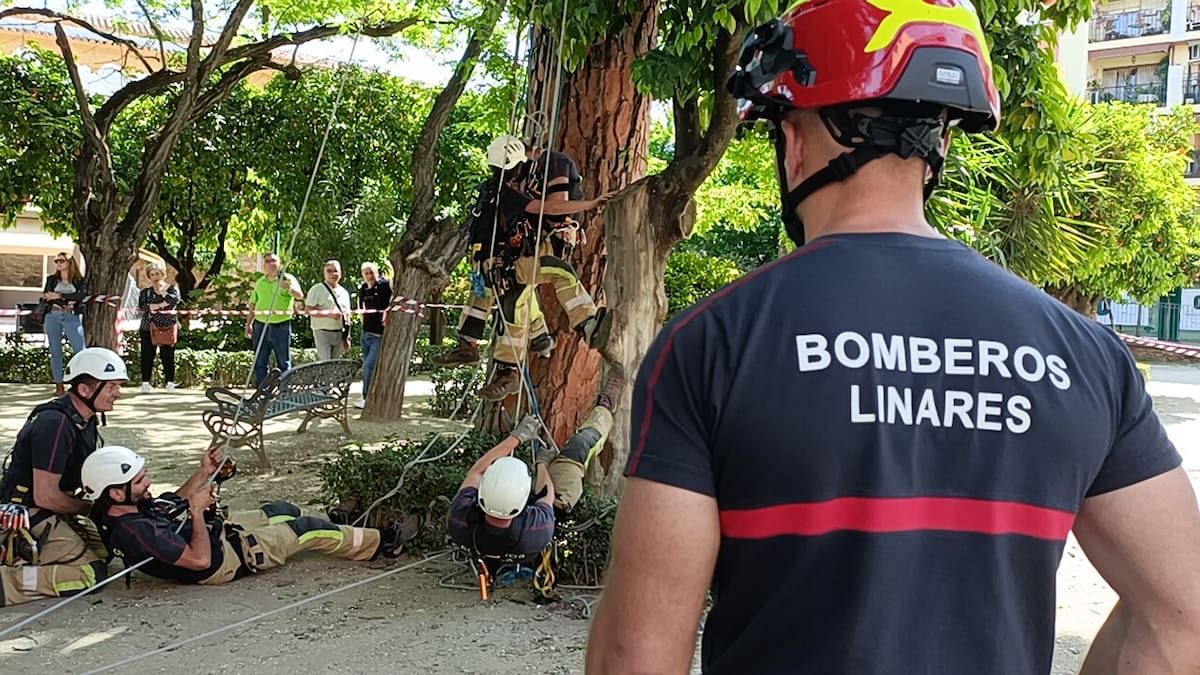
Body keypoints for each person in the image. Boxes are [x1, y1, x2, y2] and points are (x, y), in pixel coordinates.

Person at [586, 3, 1200, 674]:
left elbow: (635, 653)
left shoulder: (712, 343)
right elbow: (1182, 613)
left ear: (795, 140)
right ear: (938, 144)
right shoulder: (1086, 356)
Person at [82, 445, 421, 586]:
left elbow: (174, 502)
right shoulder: (135, 531)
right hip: (221, 561)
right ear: (115, 492)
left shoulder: (129, 507)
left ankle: (342, 528)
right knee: (305, 530)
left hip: (215, 535)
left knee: (282, 510)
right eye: (140, 480)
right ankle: (384, 543)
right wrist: (199, 513)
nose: (149, 482)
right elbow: (199, 561)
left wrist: (204, 473)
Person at [435, 136, 613, 401]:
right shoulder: (508, 194)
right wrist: (591, 203)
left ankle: (491, 350)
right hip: (505, 264)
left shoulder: (488, 191)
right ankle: (586, 323)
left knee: (509, 303)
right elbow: (550, 207)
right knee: (558, 271)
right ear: (517, 165)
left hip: (486, 264)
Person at [447, 365, 625, 558]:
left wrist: (516, 437)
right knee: (581, 445)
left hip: (515, 519)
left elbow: (475, 473)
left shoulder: (460, 519)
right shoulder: (537, 528)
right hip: (551, 505)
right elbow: (545, 495)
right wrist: (542, 462)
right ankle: (605, 407)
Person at [0, 347, 127, 606]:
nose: (118, 393)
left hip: (49, 509)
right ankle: (7, 584)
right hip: (25, 512)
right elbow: (45, 496)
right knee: (90, 573)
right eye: (112, 386)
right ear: (84, 390)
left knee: (103, 553)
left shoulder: (85, 419)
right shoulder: (55, 424)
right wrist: (91, 508)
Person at [244, 253, 304, 387]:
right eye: (268, 261)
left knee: (283, 362)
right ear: (264, 265)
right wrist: (249, 324)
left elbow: (300, 296)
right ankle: (261, 393)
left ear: (279, 263)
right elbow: (253, 304)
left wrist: (288, 288)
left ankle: (285, 393)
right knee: (260, 362)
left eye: (274, 261)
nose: (271, 264)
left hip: (281, 326)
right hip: (261, 326)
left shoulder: (288, 279)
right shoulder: (260, 282)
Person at [40, 251, 88, 397]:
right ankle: (59, 385)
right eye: (57, 261)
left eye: (61, 260)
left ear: (69, 262)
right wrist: (66, 300)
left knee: (79, 351)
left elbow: (81, 295)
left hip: (71, 317)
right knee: (55, 352)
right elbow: (47, 296)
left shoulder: (78, 280)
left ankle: (79, 383)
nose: (58, 263)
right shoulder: (52, 279)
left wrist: (60, 296)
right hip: (53, 315)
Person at [137, 262, 182, 393]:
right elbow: (143, 306)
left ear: (163, 274)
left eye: (157, 273)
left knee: (167, 355)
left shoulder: (172, 288)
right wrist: (161, 304)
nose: (155, 277)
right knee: (147, 355)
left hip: (168, 326)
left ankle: (170, 383)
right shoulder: (146, 292)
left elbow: (174, 301)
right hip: (148, 327)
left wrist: (162, 293)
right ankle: (145, 383)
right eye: (152, 274)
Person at [357, 262, 391, 408]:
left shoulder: (384, 286)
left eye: (371, 272)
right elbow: (362, 308)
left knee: (369, 366)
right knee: (369, 367)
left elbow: (388, 304)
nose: (369, 276)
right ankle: (372, 394)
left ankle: (366, 397)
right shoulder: (363, 288)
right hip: (366, 333)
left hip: (379, 334)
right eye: (366, 273)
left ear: (376, 272)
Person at [305, 259, 352, 361]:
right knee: (325, 362)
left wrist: (347, 337)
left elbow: (347, 316)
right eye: (329, 271)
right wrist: (328, 314)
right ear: (324, 273)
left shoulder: (344, 292)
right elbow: (309, 310)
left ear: (340, 273)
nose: (333, 274)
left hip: (339, 333)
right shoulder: (317, 289)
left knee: (336, 363)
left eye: (335, 271)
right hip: (322, 332)